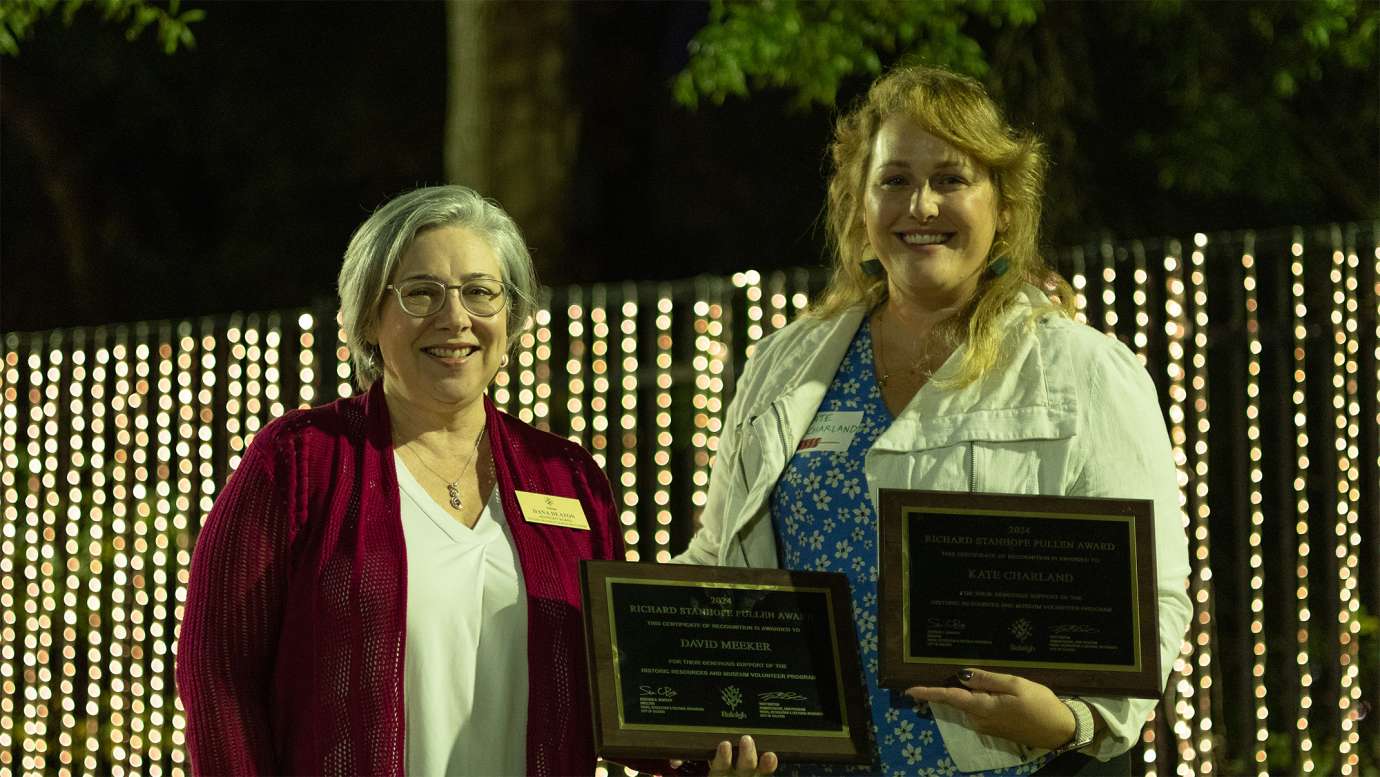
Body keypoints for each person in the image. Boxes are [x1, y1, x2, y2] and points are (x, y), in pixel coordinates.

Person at [675, 65, 1191, 776]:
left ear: (1003, 207)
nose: (920, 204)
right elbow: (717, 564)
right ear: (859, 206)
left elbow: (1152, 596)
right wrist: (647, 662)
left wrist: (1075, 718)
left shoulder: (1084, 371)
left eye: (951, 178)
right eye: (893, 180)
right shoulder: (781, 367)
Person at [176, 185, 622, 776]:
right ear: (368, 316)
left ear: (510, 319)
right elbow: (217, 673)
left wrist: (705, 756)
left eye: (481, 293)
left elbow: (620, 684)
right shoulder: (299, 462)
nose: (455, 318)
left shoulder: (569, 479)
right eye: (421, 294)